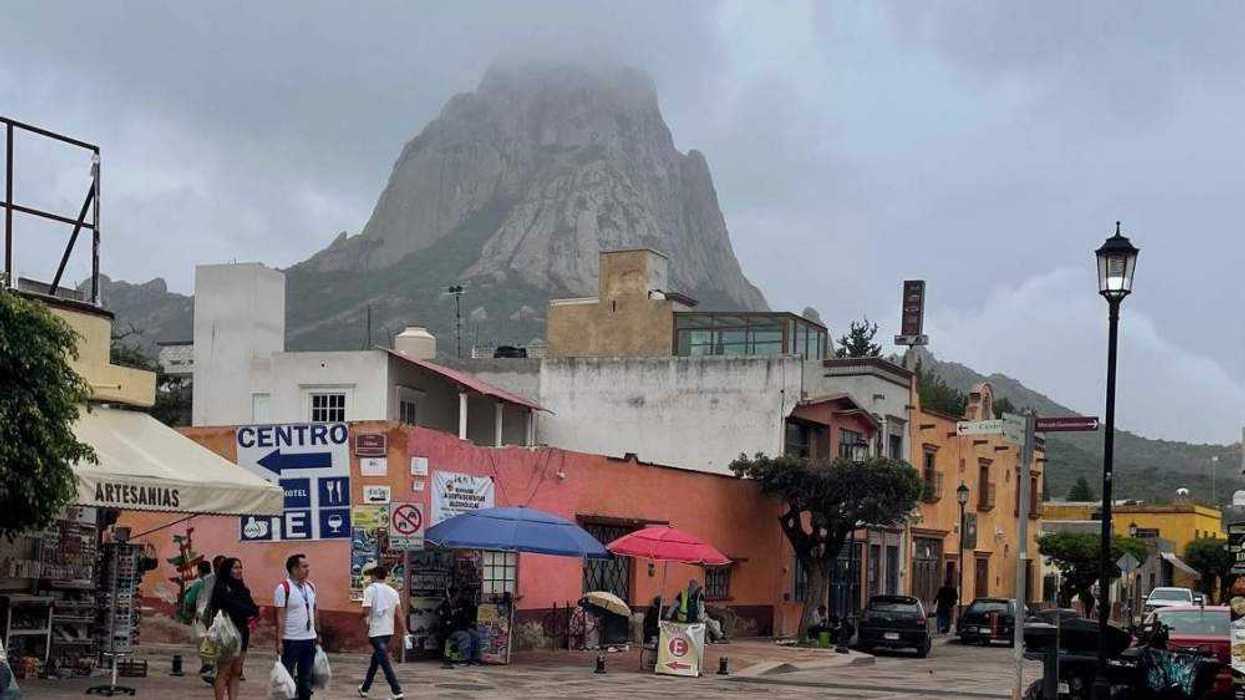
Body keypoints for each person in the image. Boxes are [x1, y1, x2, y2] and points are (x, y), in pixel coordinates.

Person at [209, 558, 258, 700]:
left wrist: (249, 610)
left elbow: (252, 608)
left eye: (240, 567)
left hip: (243, 632)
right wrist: (247, 610)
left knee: (237, 671)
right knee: (224, 671)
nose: (239, 571)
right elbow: (233, 606)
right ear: (227, 570)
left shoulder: (242, 588)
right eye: (235, 568)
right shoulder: (221, 587)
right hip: (226, 633)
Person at [275, 554, 320, 700]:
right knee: (287, 678)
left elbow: (314, 610)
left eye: (308, 566)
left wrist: (317, 633)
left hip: (309, 639)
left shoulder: (310, 587)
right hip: (291, 639)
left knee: (306, 679)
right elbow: (280, 616)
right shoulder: (283, 588)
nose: (308, 569)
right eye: (304, 566)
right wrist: (279, 640)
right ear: (294, 569)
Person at [358, 564, 404, 699]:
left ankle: (397, 691)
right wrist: (404, 630)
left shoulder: (370, 590)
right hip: (388, 631)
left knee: (384, 662)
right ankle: (365, 688)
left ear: (374, 576)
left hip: (376, 631)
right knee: (376, 660)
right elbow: (399, 614)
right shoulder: (393, 592)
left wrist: (362, 624)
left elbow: (365, 611)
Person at [197, 555, 226, 680]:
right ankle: (211, 668)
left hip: (228, 616)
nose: (221, 569)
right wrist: (201, 613)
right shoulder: (210, 579)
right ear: (214, 568)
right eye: (218, 567)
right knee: (213, 641)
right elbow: (204, 598)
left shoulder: (232, 579)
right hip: (213, 615)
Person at [447, 590, 483, 665]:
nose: (457, 597)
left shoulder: (463, 604)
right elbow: (447, 622)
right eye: (456, 596)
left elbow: (465, 619)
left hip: (462, 628)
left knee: (476, 635)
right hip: (452, 630)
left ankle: (475, 658)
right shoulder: (446, 606)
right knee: (465, 636)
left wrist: (469, 624)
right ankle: (464, 658)